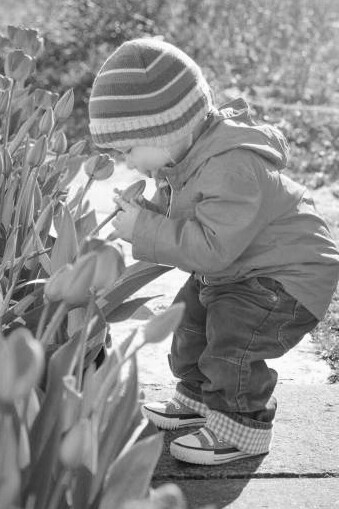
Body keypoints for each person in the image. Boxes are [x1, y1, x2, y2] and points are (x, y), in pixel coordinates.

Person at [88, 38, 339, 465]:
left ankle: (242, 427)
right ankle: (200, 403)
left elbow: (212, 248)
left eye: (128, 150)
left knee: (234, 340)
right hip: (241, 266)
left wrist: (144, 228)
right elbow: (194, 226)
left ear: (165, 129)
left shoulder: (233, 165)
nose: (128, 163)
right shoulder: (187, 158)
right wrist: (149, 212)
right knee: (189, 319)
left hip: (287, 274)